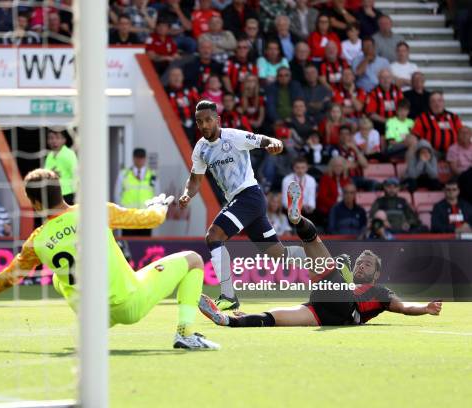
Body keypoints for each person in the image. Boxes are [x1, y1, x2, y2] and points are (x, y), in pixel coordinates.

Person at [0, 169, 219, 350]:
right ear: (61, 192)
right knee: (194, 259)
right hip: (129, 305)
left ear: (36, 204)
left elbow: (11, 276)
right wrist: (158, 205)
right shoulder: (95, 210)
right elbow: (151, 219)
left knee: (58, 278)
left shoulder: (37, 241)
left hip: (92, 318)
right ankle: (185, 335)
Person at [199, 181, 443, 327]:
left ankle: (297, 219)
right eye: (361, 262)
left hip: (347, 308)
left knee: (315, 246)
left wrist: (425, 308)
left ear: (377, 273)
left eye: (368, 265)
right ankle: (226, 320)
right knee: (273, 318)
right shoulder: (346, 279)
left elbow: (403, 307)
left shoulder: (380, 292)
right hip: (320, 311)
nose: (362, 266)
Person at [179, 100, 307, 311]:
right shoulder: (200, 149)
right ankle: (332, 261)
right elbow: (195, 181)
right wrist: (186, 195)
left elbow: (265, 140)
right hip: (243, 202)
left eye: (208, 120)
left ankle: (228, 296)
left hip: (249, 196)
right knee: (279, 256)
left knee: (214, 236)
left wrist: (276, 144)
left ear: (217, 120)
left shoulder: (234, 137)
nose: (204, 125)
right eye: (199, 121)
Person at [115, 148, 158, 237]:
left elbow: (157, 195)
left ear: (145, 159)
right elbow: (117, 194)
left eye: (142, 158)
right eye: (138, 158)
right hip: (129, 218)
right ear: (133, 158)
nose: (140, 160)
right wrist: (122, 211)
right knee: (127, 245)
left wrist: (153, 213)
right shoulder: (124, 174)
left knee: (144, 246)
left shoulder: (152, 175)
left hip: (145, 217)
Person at [412, 91, 463, 155]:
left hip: (452, 152)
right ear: (429, 104)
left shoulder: (453, 117)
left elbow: (462, 133)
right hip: (431, 152)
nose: (437, 104)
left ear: (443, 102)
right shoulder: (422, 118)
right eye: (433, 101)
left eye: (439, 100)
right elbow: (415, 136)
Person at [44, 128, 78, 204]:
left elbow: (77, 175)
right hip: (52, 195)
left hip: (68, 195)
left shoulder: (69, 154)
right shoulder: (49, 156)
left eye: (57, 138)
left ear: (64, 140)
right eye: (51, 138)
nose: (54, 141)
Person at [365, 68, 403, 134]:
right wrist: (387, 121)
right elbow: (371, 114)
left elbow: (403, 107)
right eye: (383, 77)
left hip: (397, 122)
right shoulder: (373, 93)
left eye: (388, 77)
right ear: (378, 79)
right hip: (380, 123)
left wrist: (397, 120)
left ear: (391, 79)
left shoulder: (397, 90)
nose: (386, 80)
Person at [317, 156, 351, 224]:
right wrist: (337, 206)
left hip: (345, 207)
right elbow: (322, 197)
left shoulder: (347, 179)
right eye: (335, 166)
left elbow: (350, 194)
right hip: (329, 208)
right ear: (331, 167)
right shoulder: (325, 178)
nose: (338, 168)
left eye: (340, 166)